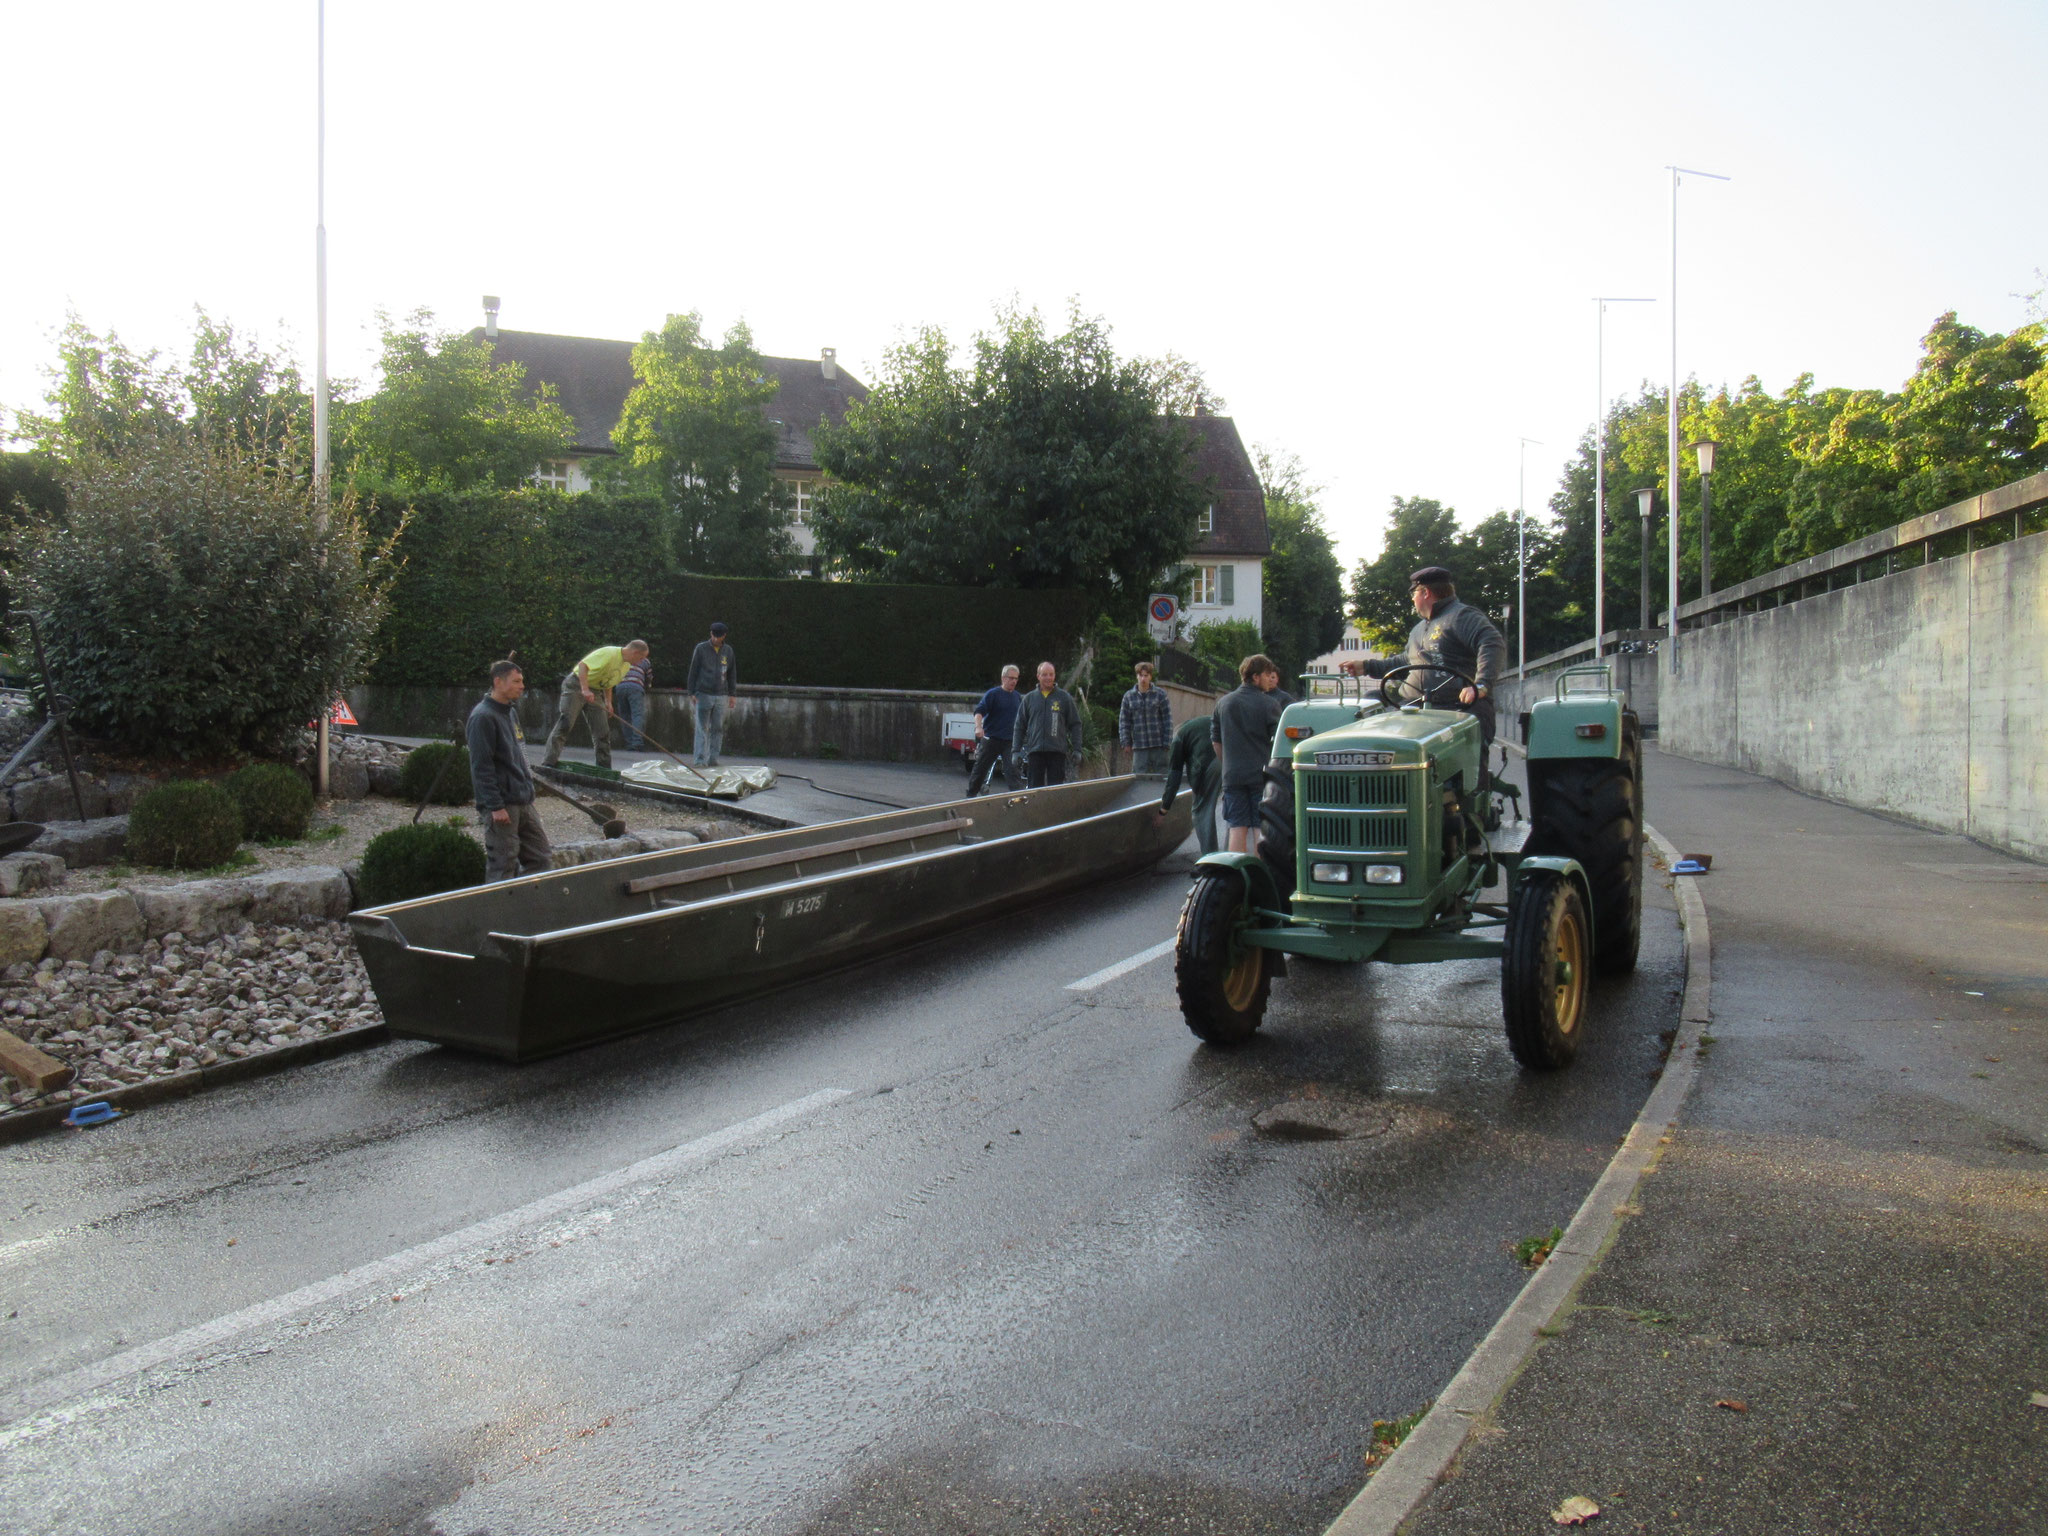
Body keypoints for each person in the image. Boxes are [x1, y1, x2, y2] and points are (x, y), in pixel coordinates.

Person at [1348, 565, 1505, 749]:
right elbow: (1406, 663)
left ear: (1425, 593)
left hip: (1457, 709)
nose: (1413, 600)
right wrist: (1366, 667)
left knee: (1468, 757)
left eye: (1413, 594)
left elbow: (1492, 643)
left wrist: (1480, 685)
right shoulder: (1418, 630)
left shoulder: (1461, 616)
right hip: (1415, 711)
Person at [468, 659, 552, 882]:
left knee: (542, 859)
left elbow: (519, 754)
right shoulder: (483, 717)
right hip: (503, 806)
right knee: (503, 867)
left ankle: (528, 907)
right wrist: (495, 806)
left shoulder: (510, 712)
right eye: (516, 681)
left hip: (523, 801)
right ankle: (498, 913)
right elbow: (481, 767)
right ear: (498, 681)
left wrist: (528, 791)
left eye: (521, 680)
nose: (522, 686)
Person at [1212, 653, 1288, 854]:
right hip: (1259, 775)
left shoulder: (1223, 703)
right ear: (1255, 677)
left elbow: (1216, 741)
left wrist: (1227, 763)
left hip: (1232, 775)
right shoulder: (1270, 705)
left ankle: (1236, 875)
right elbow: (1279, 744)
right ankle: (1257, 877)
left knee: (1236, 826)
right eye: (1266, 675)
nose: (1269, 679)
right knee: (1258, 829)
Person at [542, 639, 648, 770]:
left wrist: (608, 702)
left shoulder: (626, 666)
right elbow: (582, 665)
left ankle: (604, 769)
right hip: (576, 685)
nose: (641, 661)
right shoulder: (609, 653)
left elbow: (609, 683)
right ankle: (548, 763)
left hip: (596, 691)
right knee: (566, 723)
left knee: (602, 731)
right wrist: (585, 689)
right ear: (635, 652)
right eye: (642, 657)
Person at [1011, 661, 1084, 788]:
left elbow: (1075, 724)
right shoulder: (1029, 698)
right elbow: (1019, 726)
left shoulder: (1064, 698)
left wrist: (1077, 749)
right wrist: (1015, 751)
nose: (1048, 678)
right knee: (1034, 790)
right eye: (1044, 674)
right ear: (1038, 676)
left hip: (1057, 752)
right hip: (1035, 751)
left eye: (1051, 674)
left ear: (1055, 676)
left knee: (1055, 791)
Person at [1160, 711, 1222, 855]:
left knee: (1201, 810)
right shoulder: (1197, 725)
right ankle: (1230, 857)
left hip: (1212, 761)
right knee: (1234, 811)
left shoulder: (1178, 738)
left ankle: (1210, 862)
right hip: (1233, 755)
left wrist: (1164, 809)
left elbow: (1174, 777)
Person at [685, 621, 740, 767]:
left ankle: (713, 759)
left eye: (719, 636)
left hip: (721, 695)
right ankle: (699, 760)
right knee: (701, 728)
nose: (716, 639)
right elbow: (693, 670)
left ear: (724, 636)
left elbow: (732, 673)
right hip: (703, 693)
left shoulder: (728, 651)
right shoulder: (701, 648)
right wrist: (691, 692)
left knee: (718, 728)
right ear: (711, 633)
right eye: (714, 636)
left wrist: (732, 694)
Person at [967, 664, 1023, 797]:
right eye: (1011, 678)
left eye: (1016, 678)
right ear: (1003, 678)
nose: (1014, 681)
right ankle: (970, 797)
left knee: (1013, 771)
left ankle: (1019, 799)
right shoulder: (993, 694)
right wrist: (978, 727)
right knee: (980, 770)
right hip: (992, 739)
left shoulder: (1017, 697)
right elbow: (979, 712)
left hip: (1009, 741)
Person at [1118, 661, 1173, 774]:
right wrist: (1126, 742)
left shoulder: (1160, 695)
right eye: (1140, 675)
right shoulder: (1128, 697)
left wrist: (1167, 742)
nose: (1143, 679)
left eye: (1146, 676)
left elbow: (1167, 719)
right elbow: (1124, 721)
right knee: (1139, 779)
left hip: (1159, 746)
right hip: (1139, 746)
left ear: (1150, 677)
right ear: (1137, 676)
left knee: (1162, 778)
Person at [616, 650, 652, 751]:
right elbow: (649, 678)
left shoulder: (622, 659)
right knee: (637, 715)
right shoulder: (645, 661)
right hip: (636, 687)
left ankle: (629, 743)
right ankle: (637, 743)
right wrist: (647, 687)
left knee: (624, 716)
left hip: (620, 687)